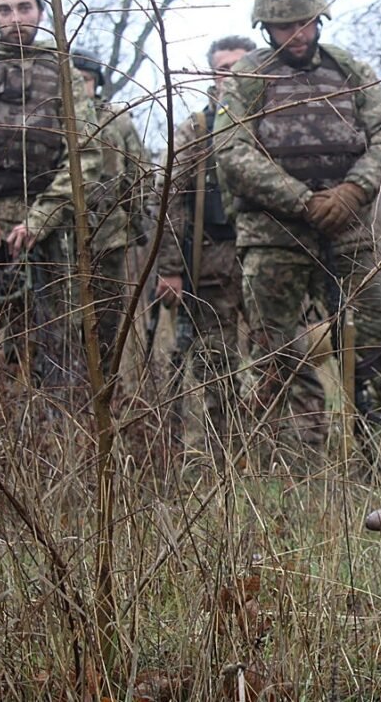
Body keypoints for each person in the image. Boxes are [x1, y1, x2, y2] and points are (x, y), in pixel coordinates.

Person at [214, 0, 381, 461]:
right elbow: (231, 150)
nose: (298, 35)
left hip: (348, 232)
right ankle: (274, 462)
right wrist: (302, 200)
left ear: (319, 21)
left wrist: (352, 192)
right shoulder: (249, 76)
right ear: (266, 27)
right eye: (284, 25)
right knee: (273, 356)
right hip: (274, 238)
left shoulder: (349, 69)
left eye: (306, 23)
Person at [0, 0, 100, 390]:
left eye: (24, 8)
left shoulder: (61, 68)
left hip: (42, 232)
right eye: (3, 9)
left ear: (40, 12)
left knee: (50, 350)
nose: (14, 19)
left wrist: (42, 219)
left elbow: (85, 153)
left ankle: (45, 445)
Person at [154, 35, 255, 460]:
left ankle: (291, 454)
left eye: (239, 66)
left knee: (290, 357)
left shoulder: (273, 117)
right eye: (222, 68)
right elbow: (169, 197)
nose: (229, 75)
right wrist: (171, 267)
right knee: (215, 362)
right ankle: (223, 458)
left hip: (272, 256)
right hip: (213, 260)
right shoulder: (196, 128)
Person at [71, 48, 148, 372]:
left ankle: (101, 402)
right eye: (73, 80)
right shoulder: (49, 118)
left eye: (86, 80)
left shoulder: (117, 121)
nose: (80, 87)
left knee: (104, 328)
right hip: (56, 242)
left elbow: (140, 174)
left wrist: (134, 218)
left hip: (109, 243)